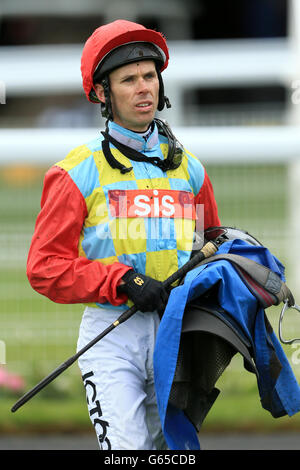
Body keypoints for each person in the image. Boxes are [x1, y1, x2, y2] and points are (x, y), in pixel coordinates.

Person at [26, 19, 220, 450]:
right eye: (128, 79)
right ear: (101, 92)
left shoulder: (191, 169)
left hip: (179, 332)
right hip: (112, 333)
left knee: (174, 453)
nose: (143, 88)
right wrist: (122, 280)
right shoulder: (74, 172)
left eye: (149, 76)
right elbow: (44, 268)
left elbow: (210, 247)